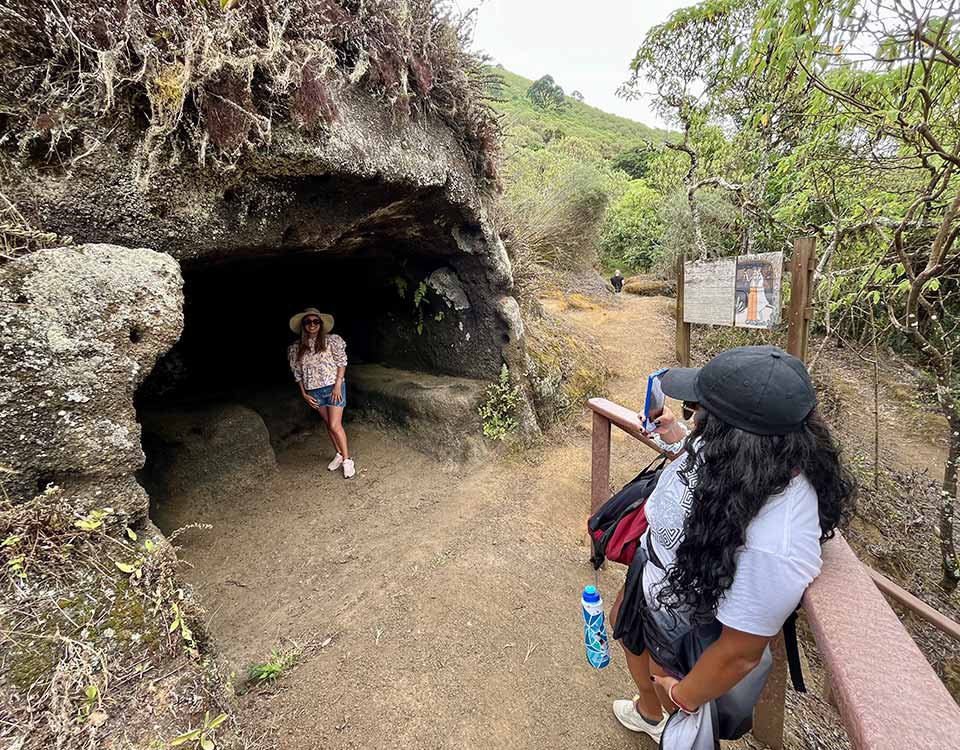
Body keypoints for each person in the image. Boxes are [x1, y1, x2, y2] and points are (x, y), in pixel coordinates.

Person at [609, 345, 855, 744]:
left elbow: (740, 652)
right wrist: (677, 436)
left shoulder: (778, 540)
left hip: (685, 625)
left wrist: (682, 696)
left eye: (699, 410)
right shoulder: (748, 455)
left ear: (733, 435)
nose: (696, 415)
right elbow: (709, 479)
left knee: (662, 672)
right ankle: (648, 711)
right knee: (629, 633)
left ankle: (665, 715)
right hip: (655, 578)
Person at [287, 308, 355, 479]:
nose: (312, 324)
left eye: (315, 321)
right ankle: (339, 455)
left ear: (321, 324)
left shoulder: (332, 340)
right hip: (314, 391)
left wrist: (338, 385)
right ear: (303, 325)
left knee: (334, 424)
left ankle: (347, 460)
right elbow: (298, 374)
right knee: (328, 424)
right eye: (308, 322)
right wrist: (304, 393)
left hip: (333, 388)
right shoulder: (296, 348)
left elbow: (341, 362)